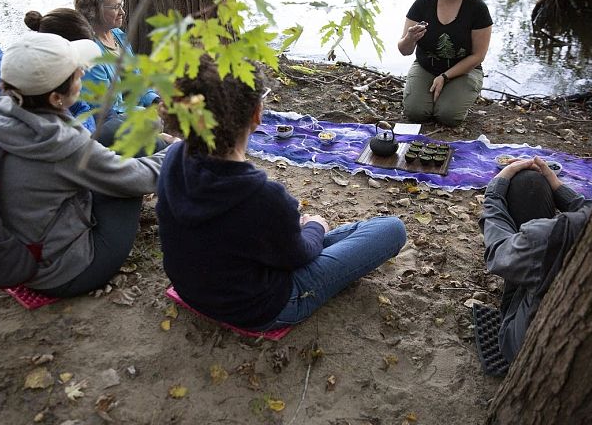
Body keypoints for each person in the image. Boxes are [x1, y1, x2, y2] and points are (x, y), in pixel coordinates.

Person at [156, 57, 407, 331]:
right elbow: (300, 256)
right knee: (390, 229)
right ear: (256, 114)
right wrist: (315, 226)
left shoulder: (173, 157)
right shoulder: (261, 196)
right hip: (261, 307)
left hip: (193, 288)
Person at [0, 31, 175, 297]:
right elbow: (136, 178)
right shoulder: (59, 142)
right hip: (62, 273)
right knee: (125, 187)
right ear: (55, 98)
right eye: (75, 72)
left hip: (21, 251)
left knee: (123, 133)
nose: (83, 72)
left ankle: (168, 153)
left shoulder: (3, 114)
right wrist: (177, 150)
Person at [478, 82, 592, 362]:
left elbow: (499, 255)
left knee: (525, 185)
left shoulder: (562, 235)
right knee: (536, 184)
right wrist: (557, 187)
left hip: (534, 349)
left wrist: (495, 190)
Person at [398, 0, 492, 127]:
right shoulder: (423, 2)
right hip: (426, 66)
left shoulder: (478, 9)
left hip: (463, 70)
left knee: (448, 116)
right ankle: (433, 96)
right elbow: (404, 50)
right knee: (415, 113)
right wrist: (410, 38)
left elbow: (478, 55)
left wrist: (445, 77)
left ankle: (453, 94)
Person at [74, 0, 164, 149]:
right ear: (94, 10)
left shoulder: (117, 36)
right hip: (108, 122)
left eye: (121, 4)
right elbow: (107, 111)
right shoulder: (91, 52)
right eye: (115, 7)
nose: (122, 12)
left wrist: (154, 100)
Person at [0, 8, 98, 132]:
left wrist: (84, 131)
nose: (81, 71)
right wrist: (80, 135)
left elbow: (81, 108)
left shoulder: (52, 72)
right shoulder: (22, 81)